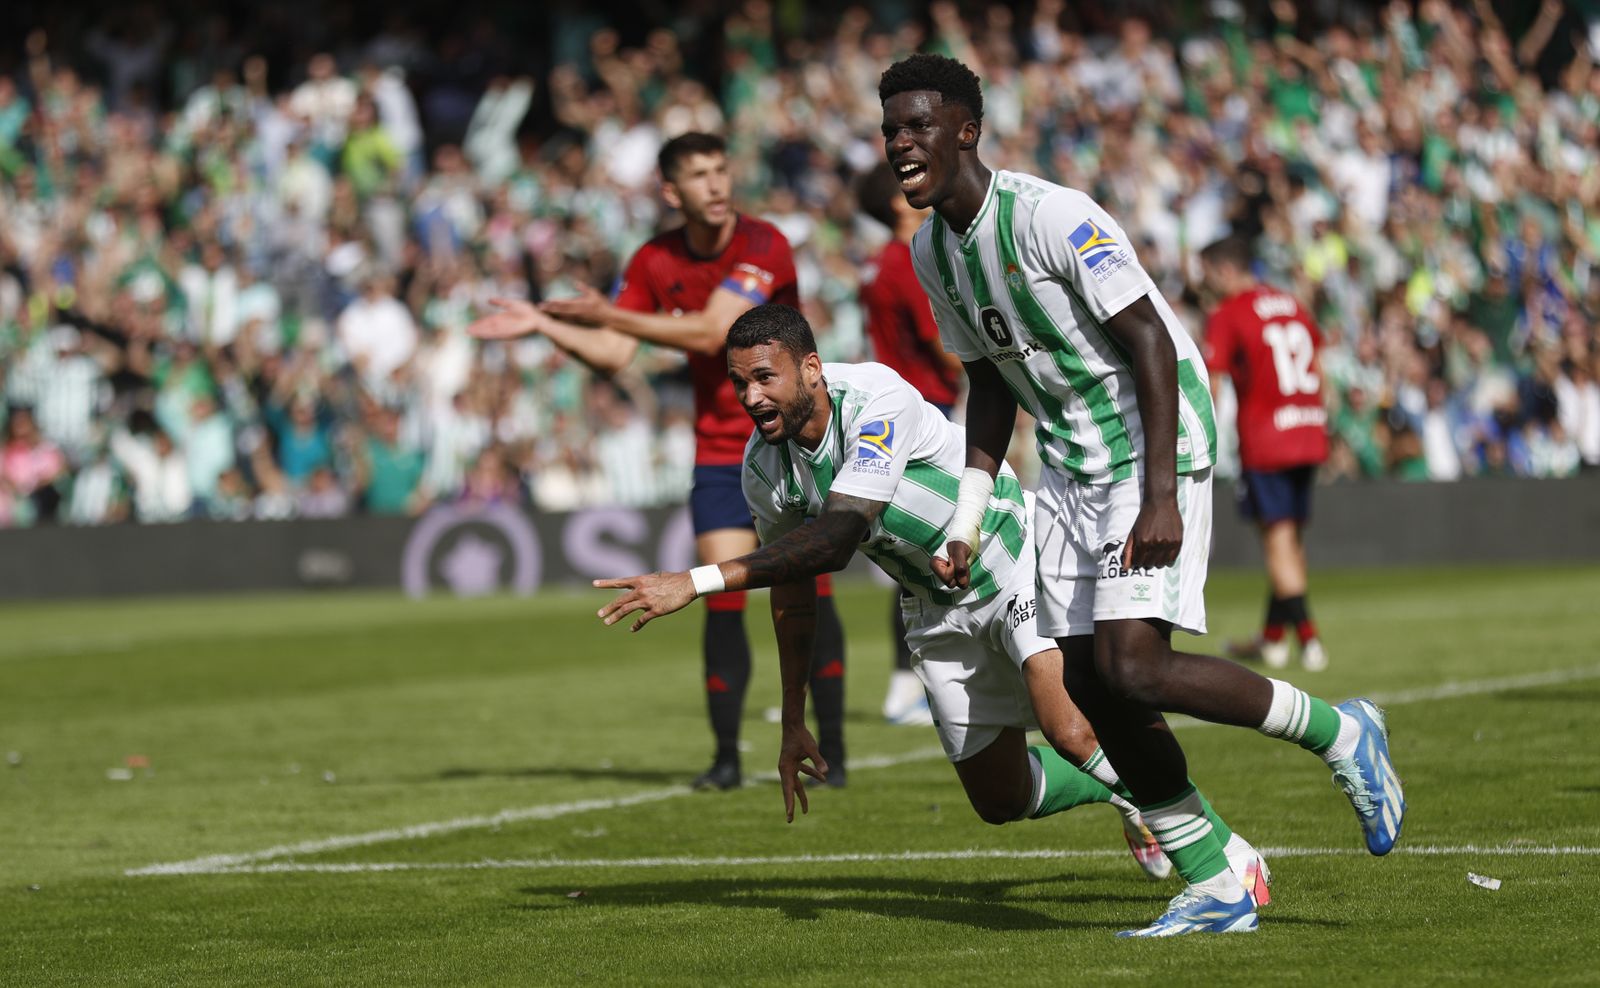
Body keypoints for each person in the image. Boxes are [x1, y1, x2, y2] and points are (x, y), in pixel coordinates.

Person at [879, 53, 1403, 937]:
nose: (900, 144)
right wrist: (965, 520)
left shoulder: (1050, 215)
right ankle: (1217, 881)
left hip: (1149, 447)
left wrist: (1161, 494)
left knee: (1133, 667)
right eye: (891, 129)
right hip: (1067, 467)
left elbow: (1152, 342)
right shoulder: (932, 252)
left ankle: (1340, 731)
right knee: (1091, 684)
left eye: (918, 126)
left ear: (966, 130)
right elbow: (990, 386)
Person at [594, 303, 1281, 898]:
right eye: (739, 382)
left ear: (811, 369)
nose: (750, 397)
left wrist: (695, 580)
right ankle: (1121, 789)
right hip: (932, 604)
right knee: (1000, 798)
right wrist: (792, 719)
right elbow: (795, 593)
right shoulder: (762, 469)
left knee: (1071, 729)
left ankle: (1222, 855)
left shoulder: (874, 399)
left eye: (764, 378)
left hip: (1009, 550)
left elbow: (836, 539)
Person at [467, 133, 847, 791]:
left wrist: (610, 314)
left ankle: (832, 752)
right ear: (671, 191)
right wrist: (548, 326)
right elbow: (615, 354)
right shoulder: (653, 258)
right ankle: (726, 760)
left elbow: (712, 330)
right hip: (722, 450)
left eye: (721, 169)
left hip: (793, 441)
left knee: (808, 586)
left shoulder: (763, 243)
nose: (717, 183)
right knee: (718, 595)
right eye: (699, 174)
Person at [857, 161, 965, 726]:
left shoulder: (878, 263)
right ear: (900, 201)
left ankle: (910, 684)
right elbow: (943, 343)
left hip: (899, 405)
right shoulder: (907, 261)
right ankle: (915, 685)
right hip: (925, 410)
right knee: (930, 549)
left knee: (917, 552)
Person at [1199, 236, 1331, 672]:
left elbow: (1213, 385)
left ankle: (1309, 640)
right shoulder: (1291, 303)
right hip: (1308, 428)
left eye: (1206, 273)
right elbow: (1319, 366)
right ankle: (1272, 639)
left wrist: (1200, 441)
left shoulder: (1227, 314)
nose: (1203, 283)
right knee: (1291, 542)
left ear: (1224, 270)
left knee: (1277, 543)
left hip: (1267, 440)